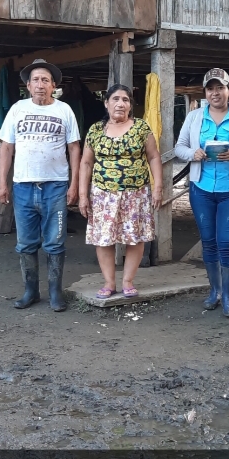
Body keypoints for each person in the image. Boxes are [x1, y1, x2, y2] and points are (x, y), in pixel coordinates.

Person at [173, 68, 229, 318]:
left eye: (220, 88)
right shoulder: (194, 118)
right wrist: (193, 154)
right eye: (210, 88)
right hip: (201, 189)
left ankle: (228, 296)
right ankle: (215, 291)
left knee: (227, 242)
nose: (215, 93)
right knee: (209, 241)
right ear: (205, 92)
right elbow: (180, 147)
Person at [0, 59, 81, 312]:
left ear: (54, 85)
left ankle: (55, 292)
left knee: (55, 242)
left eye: (46, 80)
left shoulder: (64, 110)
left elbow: (74, 148)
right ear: (28, 85)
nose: (40, 84)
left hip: (55, 186)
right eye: (36, 80)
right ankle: (30, 291)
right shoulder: (17, 109)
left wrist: (74, 184)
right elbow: (6, 147)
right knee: (26, 243)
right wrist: (2, 183)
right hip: (23, 185)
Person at [78, 84, 163, 299]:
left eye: (125, 100)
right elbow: (86, 163)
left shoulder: (141, 128)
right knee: (103, 238)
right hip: (103, 195)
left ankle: (127, 281)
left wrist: (158, 188)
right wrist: (82, 195)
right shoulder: (95, 130)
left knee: (135, 237)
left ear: (130, 105)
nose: (120, 104)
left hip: (136, 194)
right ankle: (109, 283)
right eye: (115, 99)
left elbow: (153, 156)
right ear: (106, 103)